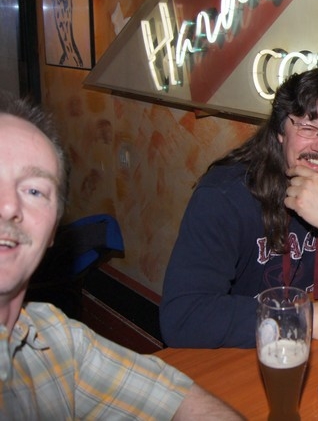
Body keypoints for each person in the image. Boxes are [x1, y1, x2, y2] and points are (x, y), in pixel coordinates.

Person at [0, 92, 242, 419]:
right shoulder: (222, 193)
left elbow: (175, 398)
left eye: (34, 191)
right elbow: (186, 317)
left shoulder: (55, 338)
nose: (9, 206)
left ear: (53, 228)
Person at [160, 69, 318, 348]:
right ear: (280, 131)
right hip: (246, 350)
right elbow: (182, 317)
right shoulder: (225, 195)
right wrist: (301, 317)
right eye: (308, 128)